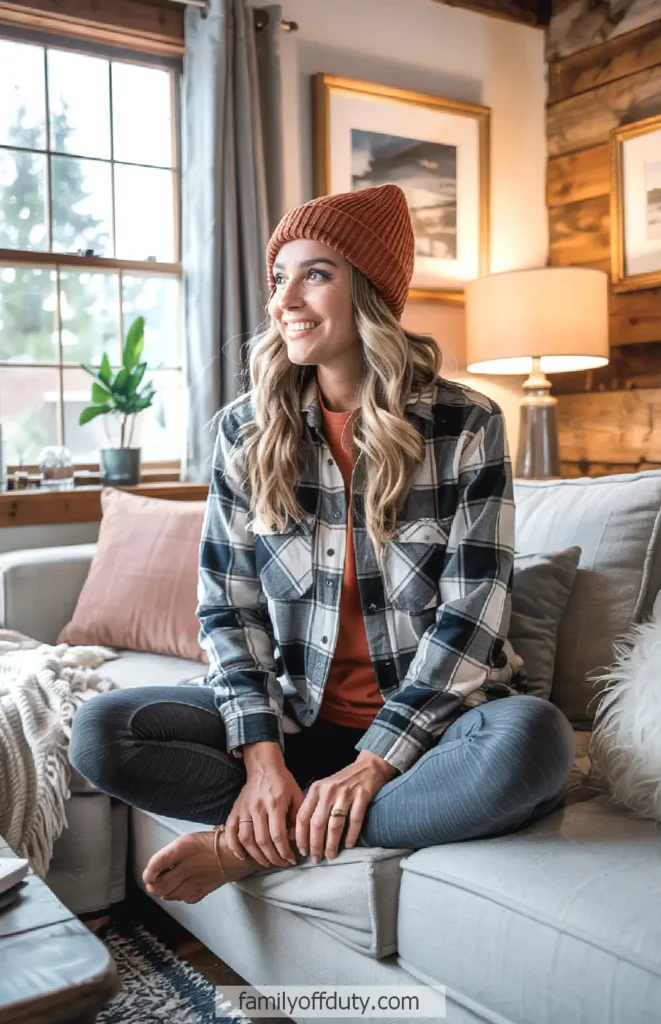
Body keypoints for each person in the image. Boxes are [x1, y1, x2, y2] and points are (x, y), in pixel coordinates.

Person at [69, 183, 575, 906]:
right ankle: (296, 809)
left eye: (315, 274)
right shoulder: (244, 431)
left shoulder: (466, 424)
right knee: (102, 729)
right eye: (280, 278)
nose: (284, 302)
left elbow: (472, 620)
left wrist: (374, 762)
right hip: (297, 718)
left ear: (368, 291)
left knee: (534, 743)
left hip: (430, 736)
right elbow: (227, 614)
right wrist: (261, 761)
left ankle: (249, 848)